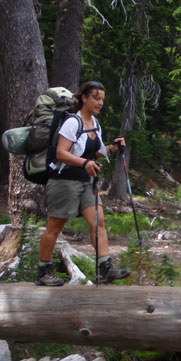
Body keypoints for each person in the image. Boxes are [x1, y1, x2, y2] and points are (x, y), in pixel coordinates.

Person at [35, 81, 131, 286]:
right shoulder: (72, 122)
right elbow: (61, 153)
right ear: (84, 98)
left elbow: (95, 151)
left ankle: (105, 268)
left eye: (102, 99)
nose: (100, 103)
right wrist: (84, 163)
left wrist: (113, 148)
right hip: (64, 181)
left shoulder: (95, 124)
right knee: (54, 227)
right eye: (96, 98)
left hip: (87, 182)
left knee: (98, 223)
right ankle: (43, 271)